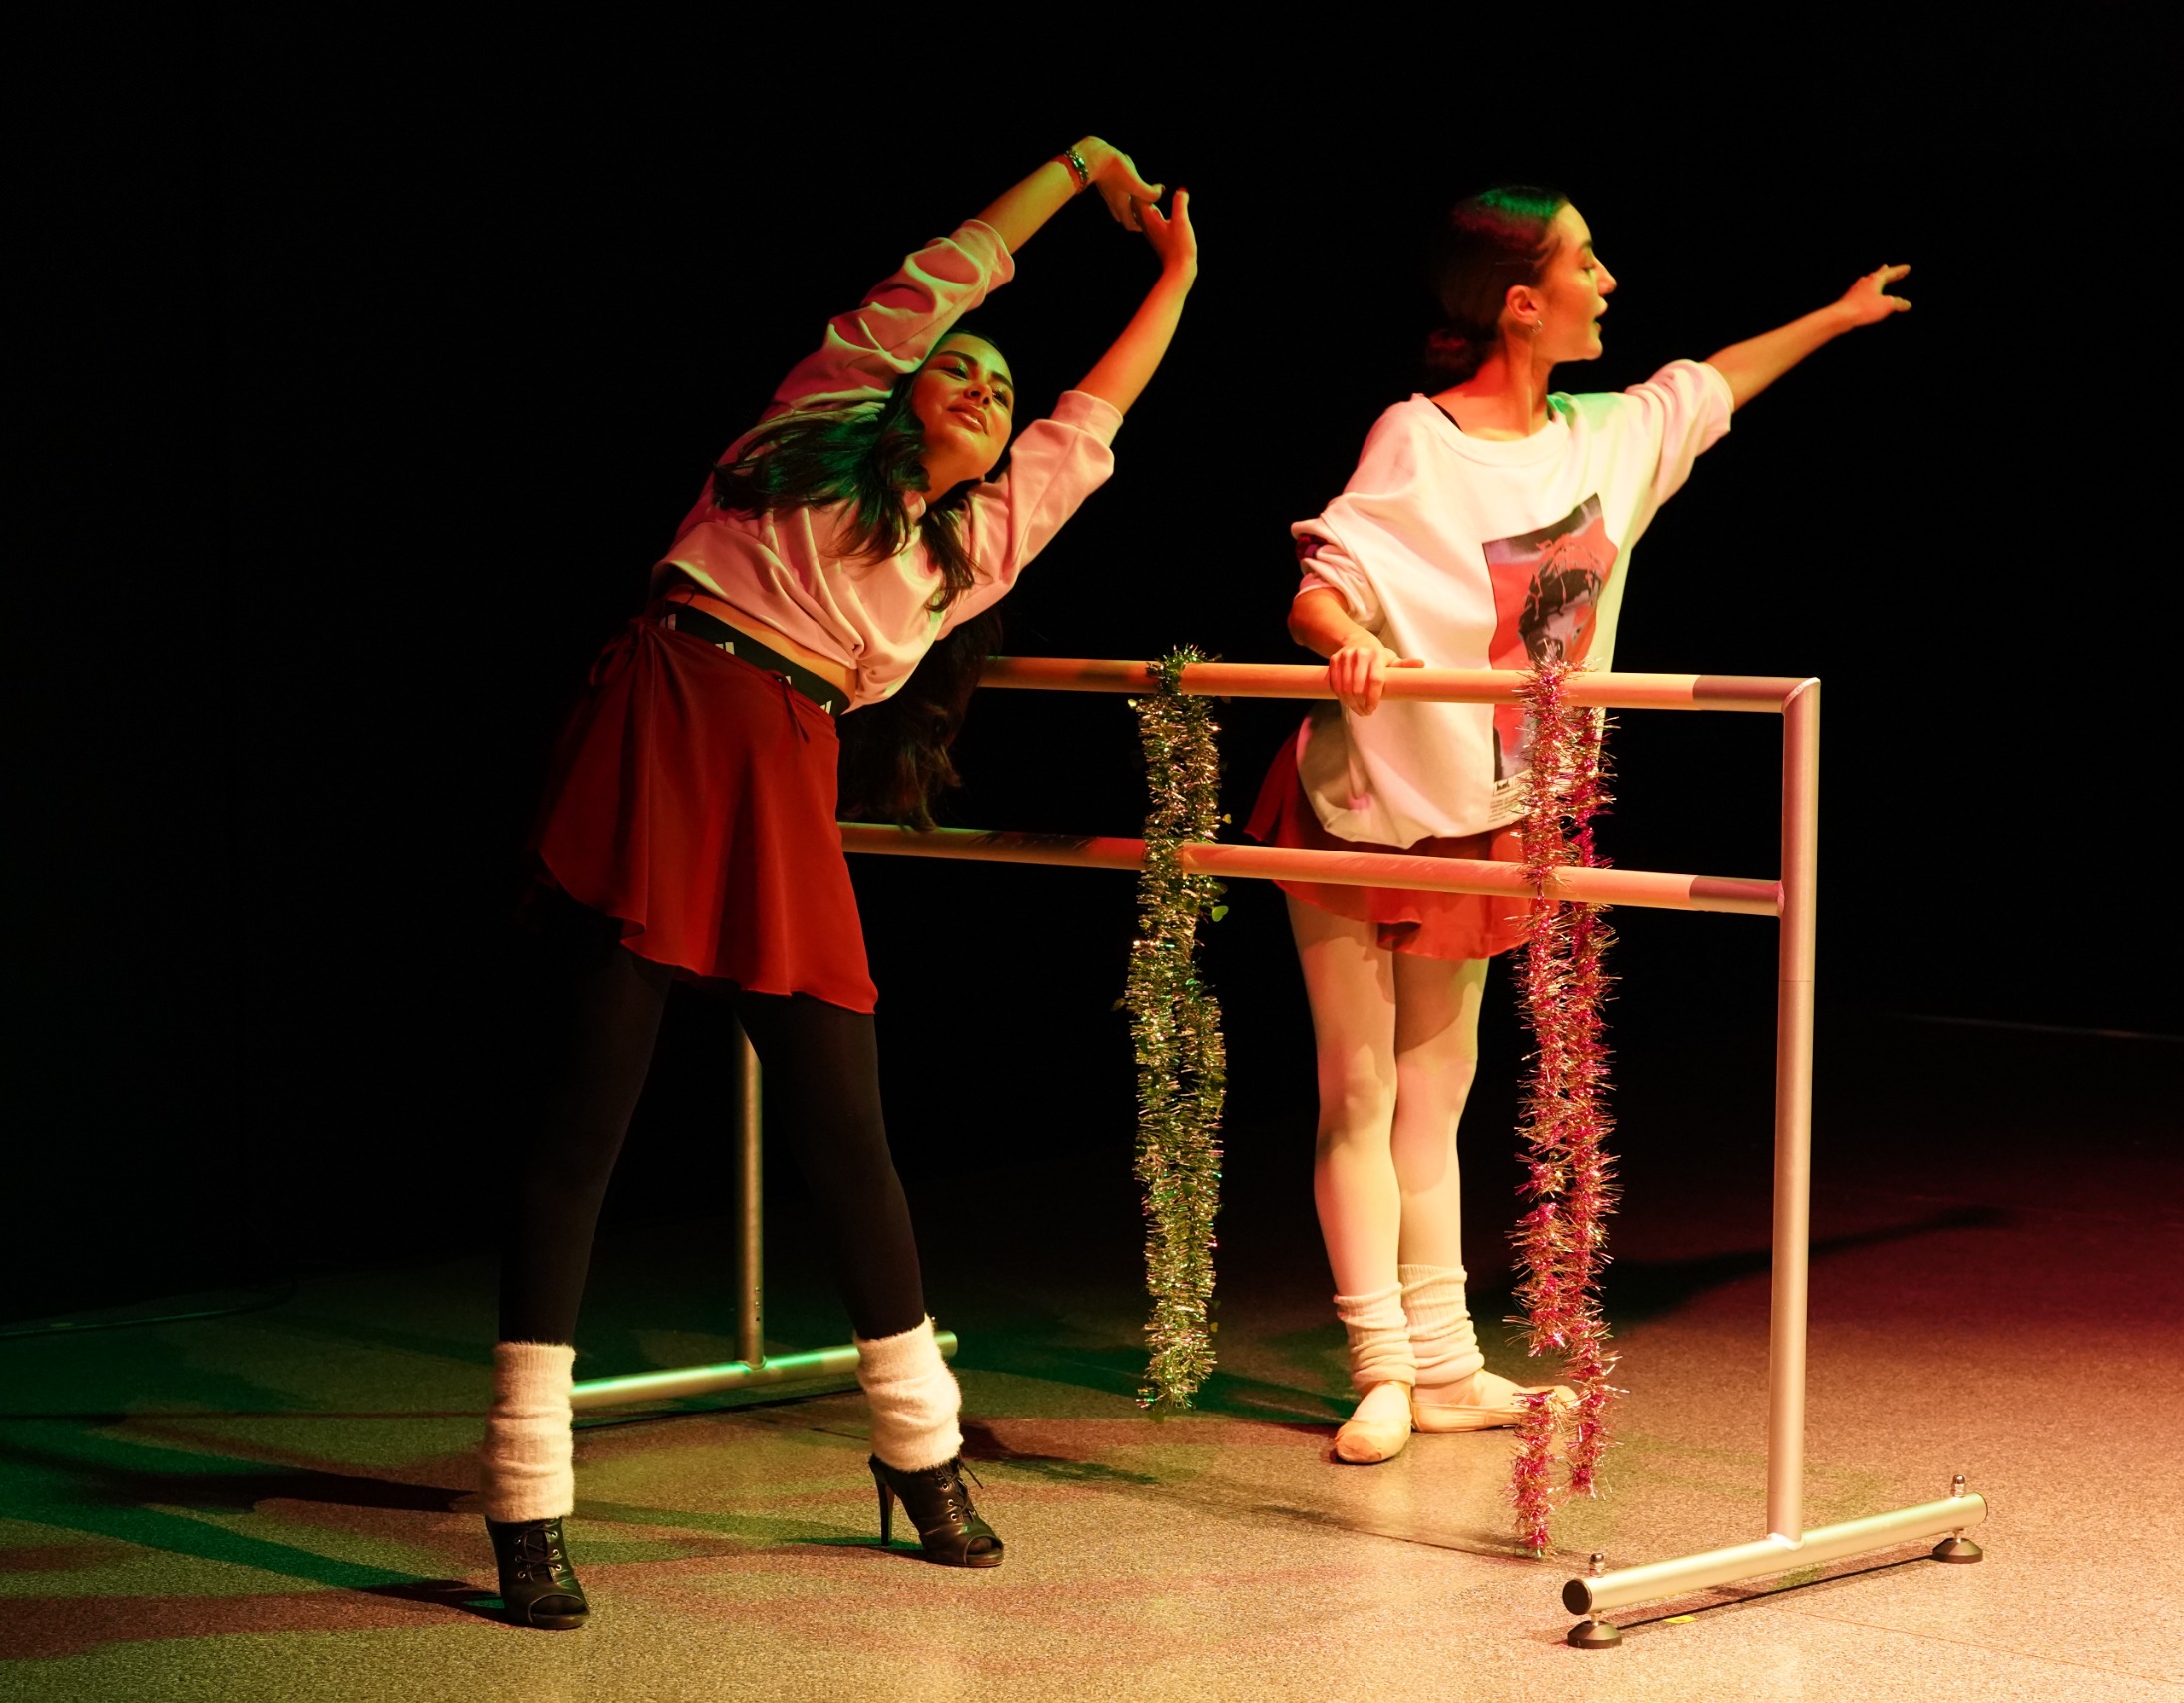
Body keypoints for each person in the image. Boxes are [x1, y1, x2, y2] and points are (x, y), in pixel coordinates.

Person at [476, 140, 1198, 1627]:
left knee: (850, 1135)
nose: (982, 387)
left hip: (786, 774)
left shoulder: (963, 551)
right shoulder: (810, 430)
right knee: (583, 1126)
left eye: (1001, 389)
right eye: (960, 368)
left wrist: (1178, 274)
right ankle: (525, 1484)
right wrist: (1078, 172)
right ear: (902, 389)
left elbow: (1093, 421)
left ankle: (920, 1448)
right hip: (669, 728)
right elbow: (949, 271)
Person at [1250, 187, 1907, 1464]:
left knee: (1436, 1092)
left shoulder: (1606, 438)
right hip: (1368, 799)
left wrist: (1835, 317)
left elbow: (1710, 383)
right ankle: (1382, 1366)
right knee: (1357, 1086)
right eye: (1585, 260)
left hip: (1488, 814)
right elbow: (1322, 584)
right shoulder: (1418, 436)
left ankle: (1447, 1365)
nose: (1607, 280)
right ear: (1519, 301)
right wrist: (1345, 642)